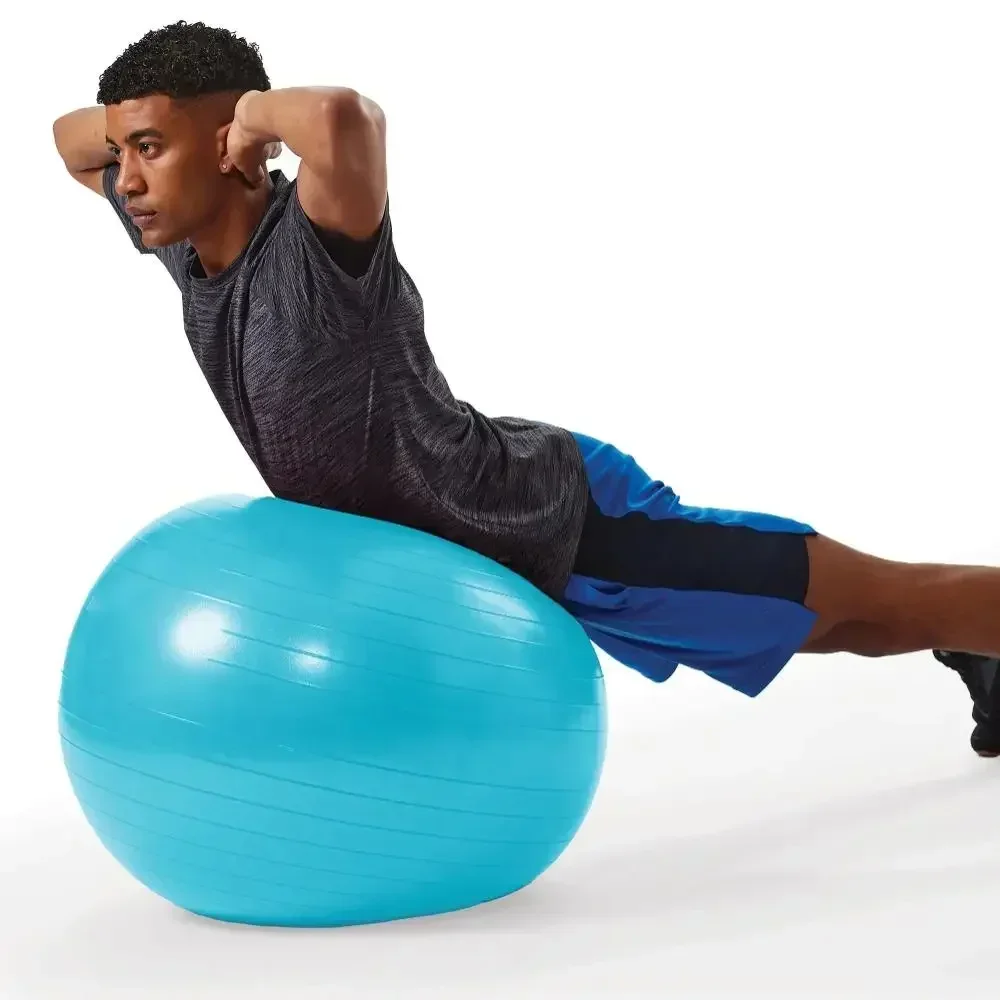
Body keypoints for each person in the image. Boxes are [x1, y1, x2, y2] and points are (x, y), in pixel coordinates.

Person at [53, 20, 1000, 755]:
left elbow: (345, 117)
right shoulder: (189, 253)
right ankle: (973, 647)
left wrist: (250, 115)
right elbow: (66, 141)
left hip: (560, 520)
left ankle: (974, 631)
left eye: (151, 149)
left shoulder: (318, 240)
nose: (125, 180)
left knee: (868, 606)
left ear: (230, 147)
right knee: (820, 628)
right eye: (125, 151)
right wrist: (152, 124)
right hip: (473, 561)